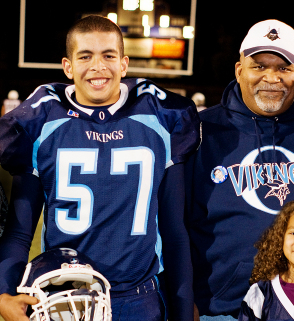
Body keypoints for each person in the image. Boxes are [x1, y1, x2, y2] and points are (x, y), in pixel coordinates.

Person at [0, 15, 199, 321]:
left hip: (140, 297)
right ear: (68, 67)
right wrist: (3, 293)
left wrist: (183, 312)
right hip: (65, 297)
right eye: (85, 56)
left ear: (124, 64)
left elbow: (174, 232)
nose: (98, 66)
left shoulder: (161, 118)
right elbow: (19, 232)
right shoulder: (41, 123)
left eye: (108, 56)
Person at [185, 19, 294, 320]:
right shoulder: (201, 131)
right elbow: (172, 223)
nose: (271, 77)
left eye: (283, 68)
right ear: (239, 70)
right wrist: (183, 296)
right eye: (259, 66)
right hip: (219, 309)